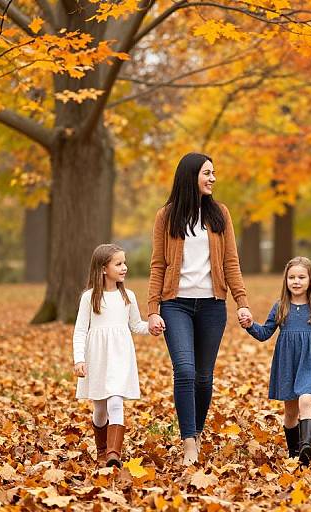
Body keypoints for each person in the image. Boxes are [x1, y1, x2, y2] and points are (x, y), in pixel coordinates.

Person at [147, 152, 252, 466]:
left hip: (212, 306)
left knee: (204, 377)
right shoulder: (166, 217)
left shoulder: (220, 214)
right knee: (186, 371)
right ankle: (189, 440)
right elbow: (158, 265)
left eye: (214, 173)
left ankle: (199, 429)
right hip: (175, 304)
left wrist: (242, 302)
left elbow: (231, 262)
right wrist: (153, 308)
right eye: (207, 173)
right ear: (191, 176)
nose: (212, 178)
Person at [240, 256, 311, 465]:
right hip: (287, 362)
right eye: (291, 277)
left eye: (301, 277)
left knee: (306, 400)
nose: (296, 281)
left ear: (310, 280)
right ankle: (294, 452)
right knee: (290, 413)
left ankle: (306, 446)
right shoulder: (281, 306)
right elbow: (264, 333)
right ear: (286, 281)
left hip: (309, 360)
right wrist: (250, 325)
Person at [73, 244, 151, 468]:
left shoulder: (128, 296)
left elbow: (136, 325)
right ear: (103, 268)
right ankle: (101, 449)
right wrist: (79, 359)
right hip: (97, 357)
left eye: (124, 262)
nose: (124, 267)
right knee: (100, 409)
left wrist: (153, 327)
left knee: (116, 402)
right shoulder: (89, 298)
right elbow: (80, 330)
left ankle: (113, 455)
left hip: (120, 356)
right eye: (118, 264)